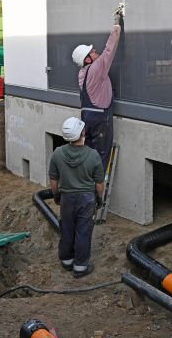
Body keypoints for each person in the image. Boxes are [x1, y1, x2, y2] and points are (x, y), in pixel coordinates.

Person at [49, 117, 104, 278]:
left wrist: (56, 195)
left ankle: (66, 260)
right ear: (83, 133)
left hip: (67, 197)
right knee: (83, 231)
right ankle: (80, 267)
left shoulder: (58, 153)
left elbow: (53, 180)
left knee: (66, 227)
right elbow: (99, 183)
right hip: (87, 199)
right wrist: (99, 198)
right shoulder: (93, 155)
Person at [71, 7, 122, 169]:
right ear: (87, 59)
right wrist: (116, 24)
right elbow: (109, 50)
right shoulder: (95, 69)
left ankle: (85, 180)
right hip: (100, 118)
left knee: (89, 152)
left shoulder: (82, 73)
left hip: (87, 116)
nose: (95, 51)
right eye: (92, 52)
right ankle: (96, 189)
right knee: (102, 155)